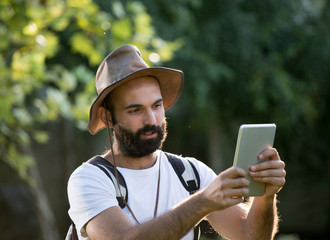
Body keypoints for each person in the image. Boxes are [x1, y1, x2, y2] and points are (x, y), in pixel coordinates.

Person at [67, 44, 286, 240]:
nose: (151, 120)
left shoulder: (191, 174)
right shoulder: (89, 179)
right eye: (135, 110)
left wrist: (265, 196)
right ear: (107, 117)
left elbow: (250, 237)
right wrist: (202, 202)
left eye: (156, 106)